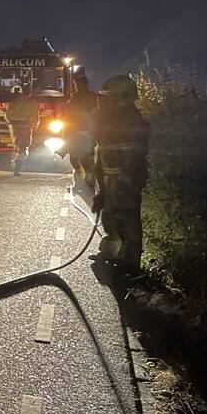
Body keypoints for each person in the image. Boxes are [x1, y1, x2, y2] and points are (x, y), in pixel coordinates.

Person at [92, 74, 150, 269]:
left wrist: (122, 182)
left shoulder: (131, 122)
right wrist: (101, 185)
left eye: (108, 98)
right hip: (110, 176)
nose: (103, 102)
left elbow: (133, 158)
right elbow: (102, 151)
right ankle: (112, 251)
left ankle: (130, 261)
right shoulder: (111, 119)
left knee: (126, 215)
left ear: (122, 98)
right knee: (109, 214)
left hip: (126, 178)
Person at [65, 74, 97, 186]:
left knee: (83, 156)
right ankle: (82, 178)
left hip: (84, 132)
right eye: (75, 85)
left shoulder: (89, 98)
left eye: (77, 84)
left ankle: (87, 178)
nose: (76, 87)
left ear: (84, 84)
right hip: (79, 132)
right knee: (76, 156)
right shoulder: (77, 97)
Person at [5, 85, 39, 175]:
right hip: (25, 125)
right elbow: (35, 114)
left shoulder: (13, 101)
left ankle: (15, 165)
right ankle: (17, 167)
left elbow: (7, 114)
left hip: (14, 125)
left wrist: (11, 122)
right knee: (24, 146)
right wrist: (35, 124)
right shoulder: (29, 102)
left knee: (16, 144)